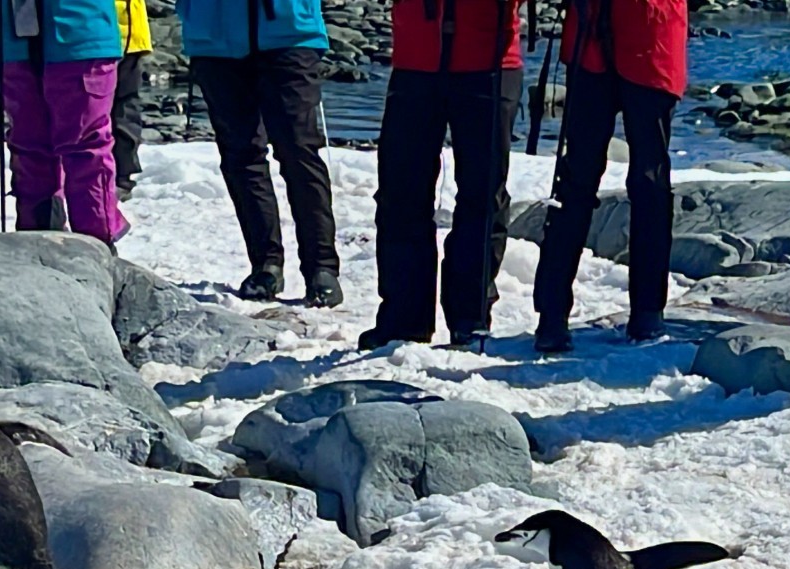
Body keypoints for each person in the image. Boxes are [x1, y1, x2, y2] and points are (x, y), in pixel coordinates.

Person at [360, 0, 525, 350]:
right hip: (416, 59)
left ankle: (471, 317)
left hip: (489, 60)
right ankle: (404, 321)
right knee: (401, 193)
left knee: (483, 195)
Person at [531, 0, 689, 352]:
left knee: (648, 181)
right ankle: (552, 315)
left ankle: (648, 312)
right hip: (595, 37)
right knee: (577, 181)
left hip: (652, 36)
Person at [177, 0, 342, 306]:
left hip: (289, 32)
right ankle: (266, 265)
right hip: (214, 37)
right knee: (241, 155)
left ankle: (322, 268)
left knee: (298, 151)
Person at [0, 0, 129, 242]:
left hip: (20, 36)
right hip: (78, 31)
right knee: (82, 145)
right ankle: (94, 237)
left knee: (37, 145)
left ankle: (48, 236)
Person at [112, 0, 151, 201]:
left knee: (123, 108)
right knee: (125, 108)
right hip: (127, 35)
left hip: (125, 35)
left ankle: (120, 175)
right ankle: (122, 176)